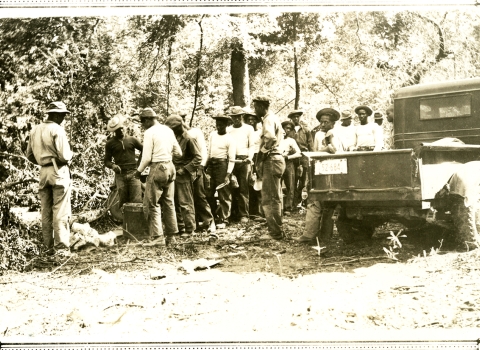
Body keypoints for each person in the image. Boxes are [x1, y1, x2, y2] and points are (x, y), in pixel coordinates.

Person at [26, 101, 73, 258]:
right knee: (60, 209)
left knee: (45, 211)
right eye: (63, 116)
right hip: (57, 170)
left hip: (43, 172)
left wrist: (42, 161)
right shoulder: (57, 129)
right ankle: (61, 249)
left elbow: (29, 155)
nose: (63, 119)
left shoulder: (35, 130)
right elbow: (65, 156)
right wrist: (70, 156)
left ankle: (48, 247)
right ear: (57, 115)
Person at [131, 107, 182, 246]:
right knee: (169, 202)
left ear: (148, 120)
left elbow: (146, 157)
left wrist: (138, 171)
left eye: (143, 122)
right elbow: (179, 153)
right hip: (170, 167)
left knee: (152, 203)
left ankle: (158, 237)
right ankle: (172, 237)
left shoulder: (149, 132)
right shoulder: (168, 130)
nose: (142, 125)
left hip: (158, 167)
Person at [296, 107, 340, 244]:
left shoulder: (334, 133)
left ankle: (323, 236)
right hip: (321, 169)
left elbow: (334, 149)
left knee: (328, 203)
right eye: (321, 122)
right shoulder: (319, 134)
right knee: (316, 201)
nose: (322, 125)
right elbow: (315, 151)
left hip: (335, 169)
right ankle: (311, 234)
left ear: (333, 123)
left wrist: (325, 149)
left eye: (326, 122)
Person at [253, 95, 286, 240]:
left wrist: (263, 151)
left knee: (270, 198)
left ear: (261, 106)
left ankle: (275, 232)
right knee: (275, 197)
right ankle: (277, 229)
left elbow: (271, 138)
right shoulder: (271, 118)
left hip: (272, 159)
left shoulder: (268, 119)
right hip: (276, 159)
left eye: (255, 107)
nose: (255, 110)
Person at [165, 115, 202, 237]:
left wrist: (185, 169)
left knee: (185, 202)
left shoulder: (189, 139)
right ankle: (180, 228)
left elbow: (198, 158)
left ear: (180, 126)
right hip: (173, 173)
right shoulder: (173, 137)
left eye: (174, 128)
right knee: (174, 201)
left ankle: (190, 229)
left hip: (183, 175)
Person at [179, 112, 216, 232]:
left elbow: (202, 152)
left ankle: (209, 222)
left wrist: (200, 168)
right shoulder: (177, 136)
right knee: (187, 198)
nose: (183, 122)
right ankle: (193, 224)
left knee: (200, 195)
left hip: (196, 168)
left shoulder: (195, 132)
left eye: (183, 119)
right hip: (184, 171)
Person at [104, 115, 143, 211]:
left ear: (124, 127)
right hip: (120, 175)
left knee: (137, 201)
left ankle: (136, 225)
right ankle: (125, 225)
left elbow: (145, 150)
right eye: (117, 130)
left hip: (133, 173)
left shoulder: (132, 140)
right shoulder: (110, 144)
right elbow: (106, 161)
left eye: (121, 128)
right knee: (123, 202)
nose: (120, 131)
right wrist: (113, 165)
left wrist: (139, 164)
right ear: (114, 132)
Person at [205, 113, 236, 229]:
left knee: (224, 192)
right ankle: (211, 217)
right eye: (217, 123)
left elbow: (231, 159)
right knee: (208, 190)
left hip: (222, 165)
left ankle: (224, 219)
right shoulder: (212, 135)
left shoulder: (229, 139)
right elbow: (209, 152)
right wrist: (204, 166)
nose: (219, 126)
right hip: (211, 165)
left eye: (222, 124)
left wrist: (228, 174)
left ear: (226, 125)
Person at [227, 106, 255, 223]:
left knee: (244, 187)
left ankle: (244, 214)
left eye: (238, 117)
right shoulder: (228, 129)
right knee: (231, 187)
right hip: (231, 160)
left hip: (244, 160)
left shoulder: (248, 129)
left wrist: (250, 157)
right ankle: (232, 214)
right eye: (234, 117)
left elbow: (252, 145)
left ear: (242, 116)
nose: (236, 119)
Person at [288, 109, 313, 210]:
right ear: (291, 119)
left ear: (300, 117)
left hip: (304, 156)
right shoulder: (289, 131)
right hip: (293, 157)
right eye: (294, 117)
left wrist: (311, 156)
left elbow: (310, 144)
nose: (296, 118)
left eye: (297, 117)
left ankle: (299, 201)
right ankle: (293, 204)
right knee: (292, 181)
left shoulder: (306, 130)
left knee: (303, 181)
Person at [279, 120, 302, 216]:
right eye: (285, 128)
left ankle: (288, 207)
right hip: (277, 162)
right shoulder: (277, 139)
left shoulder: (291, 140)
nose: (287, 130)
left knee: (290, 185)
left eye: (289, 129)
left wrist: (288, 156)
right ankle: (279, 208)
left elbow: (299, 153)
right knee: (277, 185)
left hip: (288, 163)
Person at [243, 108, 263, 217]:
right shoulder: (245, 132)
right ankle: (250, 210)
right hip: (248, 157)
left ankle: (259, 211)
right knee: (248, 184)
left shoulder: (260, 132)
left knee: (258, 183)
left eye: (253, 120)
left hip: (258, 157)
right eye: (248, 120)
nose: (251, 122)